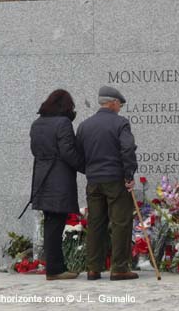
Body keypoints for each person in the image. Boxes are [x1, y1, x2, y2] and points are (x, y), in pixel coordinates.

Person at [76, 86, 138, 281]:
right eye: (119, 104)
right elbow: (127, 149)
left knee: (95, 223)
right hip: (115, 180)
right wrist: (128, 175)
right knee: (120, 222)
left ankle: (93, 268)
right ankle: (119, 268)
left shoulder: (85, 125)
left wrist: (90, 171)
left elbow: (78, 154)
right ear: (112, 102)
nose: (120, 108)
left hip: (93, 181)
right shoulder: (120, 123)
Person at [29, 89, 84, 281]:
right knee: (55, 224)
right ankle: (54, 269)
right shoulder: (63, 123)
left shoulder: (37, 124)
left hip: (42, 178)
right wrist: (86, 167)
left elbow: (34, 150)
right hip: (58, 179)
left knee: (51, 222)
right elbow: (68, 152)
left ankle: (56, 267)